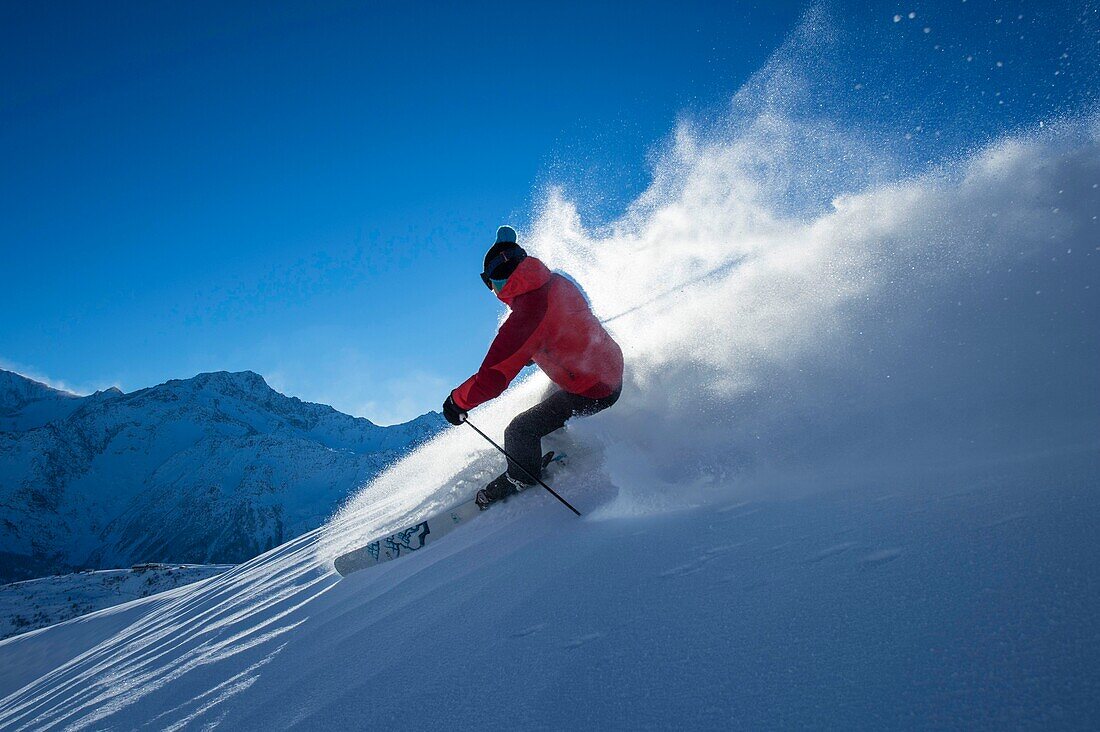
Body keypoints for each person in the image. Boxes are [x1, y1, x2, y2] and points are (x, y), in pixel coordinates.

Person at [442, 225, 624, 509]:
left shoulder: (523, 320)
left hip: (594, 388)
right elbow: (562, 324)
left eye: (488, 282)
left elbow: (492, 379)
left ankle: (522, 477)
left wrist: (457, 401)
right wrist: (537, 349)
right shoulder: (555, 281)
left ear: (495, 282)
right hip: (608, 367)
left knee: (518, 431)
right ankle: (561, 441)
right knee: (546, 402)